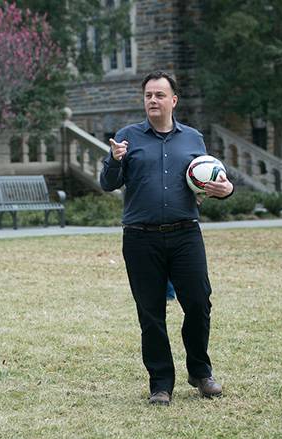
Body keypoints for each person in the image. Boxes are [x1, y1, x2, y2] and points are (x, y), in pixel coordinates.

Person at [100, 70, 234, 406]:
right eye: (148, 95)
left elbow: (211, 180)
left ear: (174, 100)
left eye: (160, 95)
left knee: (199, 303)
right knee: (151, 313)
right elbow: (108, 183)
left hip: (186, 234)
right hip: (140, 238)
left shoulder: (193, 139)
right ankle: (161, 383)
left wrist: (226, 190)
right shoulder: (126, 138)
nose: (153, 101)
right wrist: (115, 161)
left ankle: (200, 372)